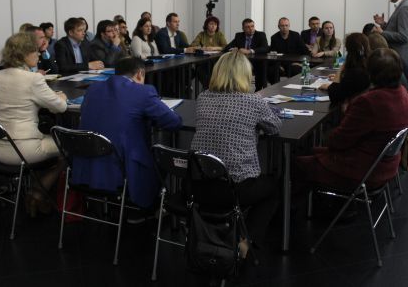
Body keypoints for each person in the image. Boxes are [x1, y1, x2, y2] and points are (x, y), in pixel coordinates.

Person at [191, 50, 281, 252]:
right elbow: (274, 127)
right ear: (245, 75)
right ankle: (246, 241)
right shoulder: (253, 101)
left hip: (200, 185)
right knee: (273, 188)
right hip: (235, 188)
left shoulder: (203, 97)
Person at [294, 48, 408, 192]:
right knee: (313, 152)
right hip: (386, 165)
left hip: (361, 170)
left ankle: (309, 203)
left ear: (371, 72)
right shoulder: (402, 93)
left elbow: (338, 141)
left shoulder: (370, 101)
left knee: (298, 163)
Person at [75, 57, 182, 208]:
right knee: (163, 158)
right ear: (140, 74)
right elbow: (174, 122)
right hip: (122, 169)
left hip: (87, 168)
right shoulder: (143, 92)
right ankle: (148, 209)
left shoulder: (93, 89)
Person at [0, 32, 68, 215]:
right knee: (68, 148)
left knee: (50, 143)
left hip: (0, 146)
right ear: (24, 53)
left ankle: (38, 192)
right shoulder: (33, 79)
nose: (39, 54)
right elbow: (60, 108)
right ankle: (38, 192)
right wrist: (62, 97)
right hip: (24, 149)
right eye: (35, 51)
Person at [319, 33, 371, 109]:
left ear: (349, 50)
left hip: (353, 110)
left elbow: (334, 95)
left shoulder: (356, 72)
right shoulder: (369, 63)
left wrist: (341, 69)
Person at [224, 18, 269, 91]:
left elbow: (265, 48)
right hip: (241, 62)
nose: (251, 29)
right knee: (230, 65)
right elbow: (227, 47)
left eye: (252, 26)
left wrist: (249, 51)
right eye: (248, 27)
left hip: (256, 62)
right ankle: (235, 88)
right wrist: (233, 49)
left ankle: (259, 90)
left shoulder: (260, 35)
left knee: (262, 67)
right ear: (243, 28)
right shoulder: (239, 35)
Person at [269, 17, 310, 84]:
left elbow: (305, 51)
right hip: (281, 64)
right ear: (278, 26)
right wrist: (278, 65)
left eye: (286, 25)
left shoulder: (296, 35)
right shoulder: (274, 37)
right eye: (282, 26)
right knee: (272, 71)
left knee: (296, 70)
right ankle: (276, 87)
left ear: (289, 26)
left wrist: (300, 63)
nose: (284, 27)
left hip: (295, 62)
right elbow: (273, 54)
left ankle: (294, 88)